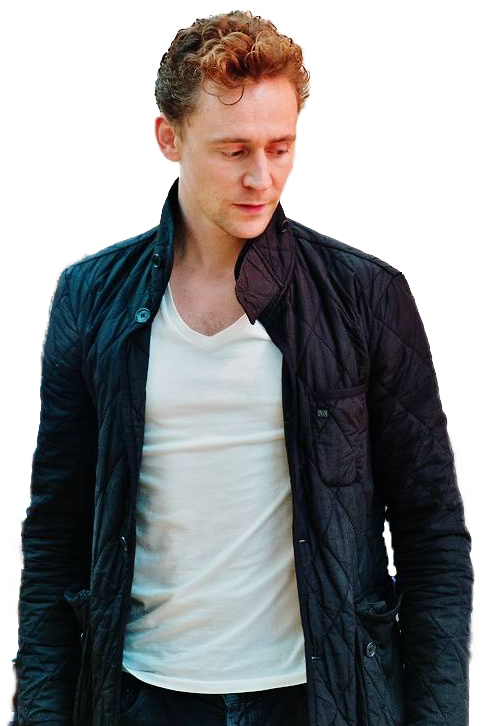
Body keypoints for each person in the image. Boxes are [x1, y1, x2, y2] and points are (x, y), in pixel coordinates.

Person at [17, 7, 474, 725]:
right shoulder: (89, 296)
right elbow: (55, 527)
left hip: (317, 698)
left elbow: (433, 529)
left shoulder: (368, 294)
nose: (263, 177)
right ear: (167, 137)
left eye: (282, 147)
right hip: (141, 696)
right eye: (233, 151)